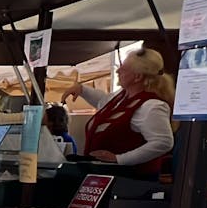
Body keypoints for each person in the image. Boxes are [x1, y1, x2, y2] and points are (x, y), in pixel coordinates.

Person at [66, 48, 174, 176]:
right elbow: (104, 101)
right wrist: (82, 90)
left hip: (131, 182)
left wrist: (120, 159)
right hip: (105, 177)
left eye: (124, 68)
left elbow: (163, 142)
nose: (118, 70)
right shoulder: (122, 97)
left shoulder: (151, 106)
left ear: (137, 76)